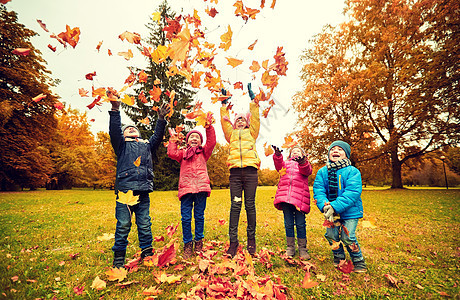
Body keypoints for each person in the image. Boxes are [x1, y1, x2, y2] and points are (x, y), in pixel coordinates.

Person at [108, 93, 170, 269]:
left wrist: (161, 119)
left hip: (143, 192)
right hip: (125, 192)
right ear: (124, 134)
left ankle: (147, 252)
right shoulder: (121, 145)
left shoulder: (146, 146)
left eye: (134, 128)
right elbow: (114, 131)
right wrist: (115, 109)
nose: (131, 129)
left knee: (144, 223)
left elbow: (157, 137)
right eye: (127, 129)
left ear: (139, 133)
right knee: (123, 224)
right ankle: (119, 257)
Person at [313, 140, 367, 273]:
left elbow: (352, 192)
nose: (335, 151)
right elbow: (319, 190)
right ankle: (339, 258)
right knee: (331, 235)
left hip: (350, 212)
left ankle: (358, 261)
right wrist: (324, 205)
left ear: (346, 155)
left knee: (348, 237)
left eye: (339, 149)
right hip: (330, 212)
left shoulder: (352, 171)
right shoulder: (322, 172)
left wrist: (335, 206)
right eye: (332, 149)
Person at [167, 114, 216, 259]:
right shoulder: (182, 153)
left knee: (199, 216)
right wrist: (174, 139)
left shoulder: (204, 152)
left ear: (201, 141)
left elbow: (212, 142)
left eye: (197, 137)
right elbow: (171, 152)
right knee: (186, 218)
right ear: (187, 141)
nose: (194, 138)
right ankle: (188, 243)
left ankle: (198, 242)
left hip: (201, 188)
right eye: (191, 137)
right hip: (186, 189)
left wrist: (208, 127)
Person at [220, 84, 261, 257]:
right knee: (235, 206)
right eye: (238, 119)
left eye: (243, 119)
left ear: (247, 122)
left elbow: (257, 118)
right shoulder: (230, 134)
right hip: (235, 174)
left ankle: (251, 241)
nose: (240, 121)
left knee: (250, 205)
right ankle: (233, 242)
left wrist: (253, 101)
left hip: (251, 173)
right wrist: (224, 105)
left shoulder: (252, 133)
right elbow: (224, 122)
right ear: (234, 123)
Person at [272, 144, 312, 259]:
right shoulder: (286, 165)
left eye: (298, 151)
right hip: (286, 199)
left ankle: (302, 248)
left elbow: (307, 171)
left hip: (300, 199)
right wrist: (278, 155)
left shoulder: (304, 165)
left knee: (300, 224)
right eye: (293, 151)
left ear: (303, 155)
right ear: (290, 154)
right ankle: (290, 247)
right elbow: (278, 165)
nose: (295, 153)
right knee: (288, 224)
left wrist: (303, 162)